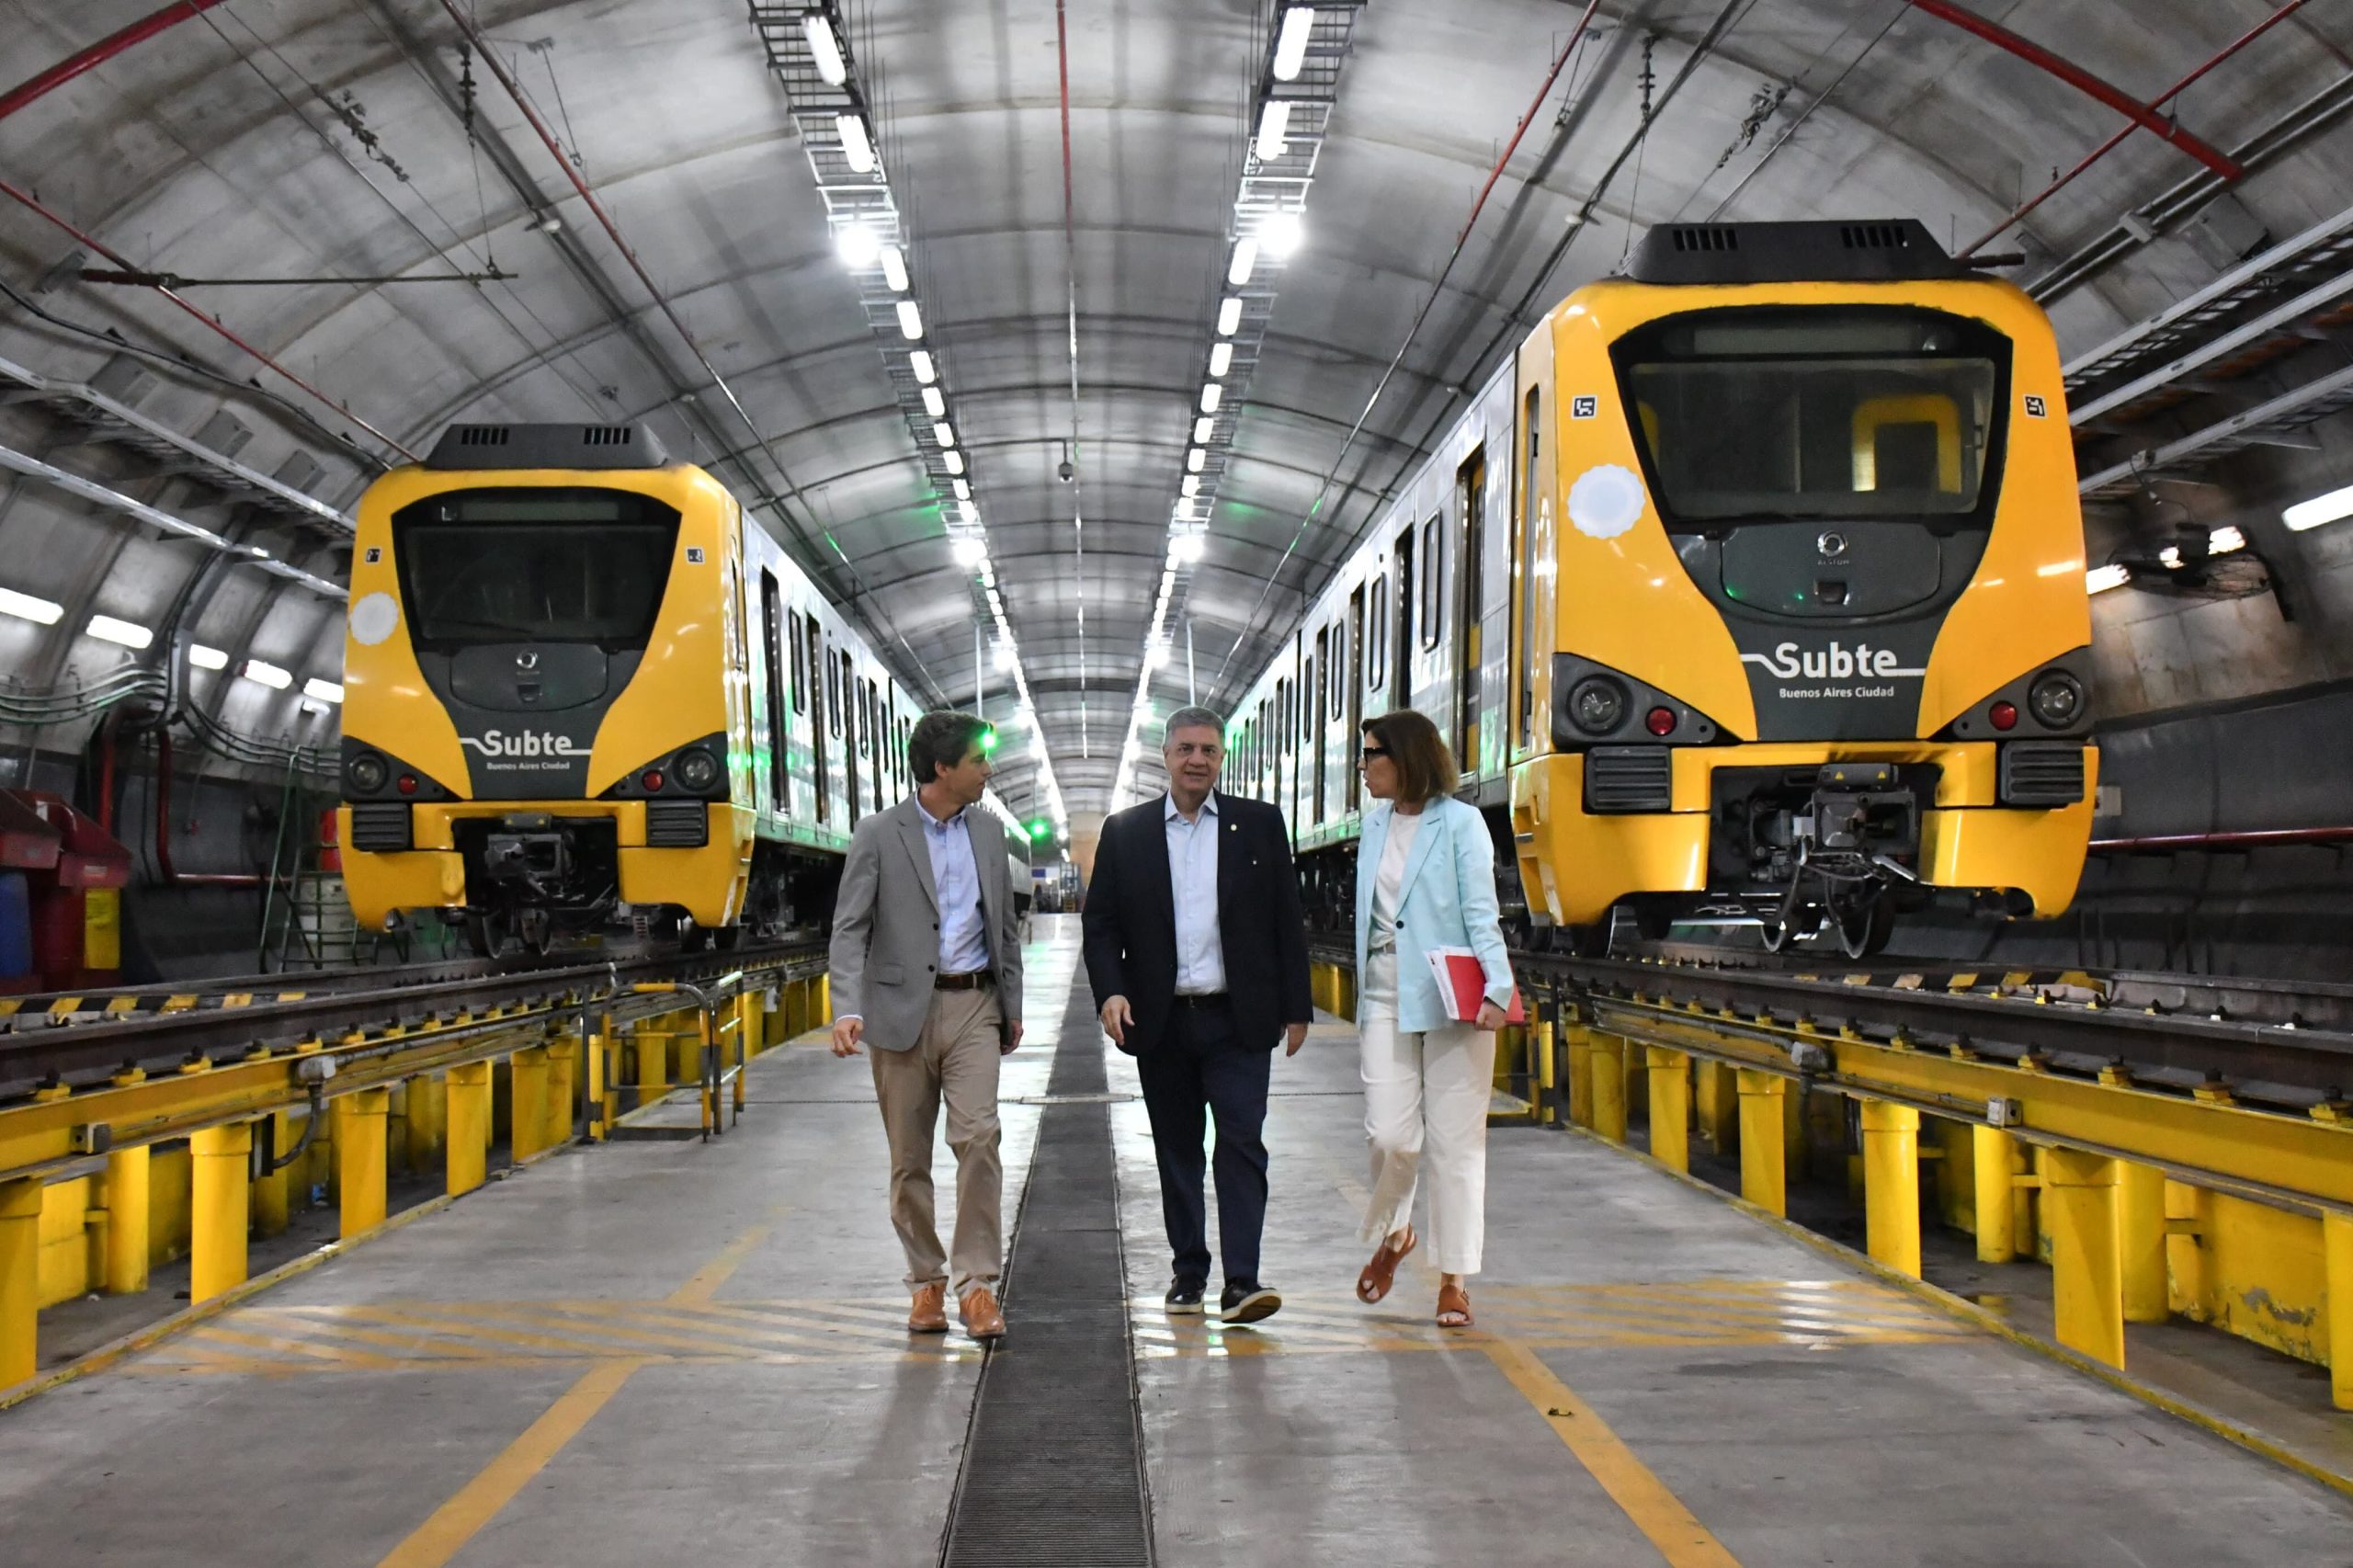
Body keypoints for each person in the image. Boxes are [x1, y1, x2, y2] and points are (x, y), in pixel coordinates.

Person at [1083, 706, 1312, 1323]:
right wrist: (1111, 991)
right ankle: (1189, 1270)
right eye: (1186, 749)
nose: (1197, 761)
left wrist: (1297, 1007)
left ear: (1220, 758)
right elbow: (1100, 924)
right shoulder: (1126, 832)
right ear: (1165, 756)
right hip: (1161, 1022)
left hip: (1239, 1019)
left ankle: (1242, 1280)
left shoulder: (1259, 825)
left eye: (1208, 750)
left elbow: (1286, 920)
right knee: (1177, 1148)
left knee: (1241, 1143)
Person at [829, 711, 1025, 1343]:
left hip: (974, 1005)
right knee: (908, 1159)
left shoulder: (990, 834)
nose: (987, 772)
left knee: (979, 1140)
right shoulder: (879, 833)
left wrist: (1012, 1004)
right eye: (977, 761)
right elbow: (850, 927)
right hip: (899, 1015)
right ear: (943, 769)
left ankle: (977, 1287)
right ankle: (926, 1285)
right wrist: (846, 1007)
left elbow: (1005, 928)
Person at [1348, 709, 1514, 1329]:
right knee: (1390, 1136)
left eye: (1372, 755)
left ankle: (1454, 1280)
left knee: (1456, 1144)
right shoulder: (1372, 826)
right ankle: (1396, 1234)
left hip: (1452, 996)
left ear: (1406, 757)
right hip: (1386, 995)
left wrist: (1496, 987)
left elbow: (1480, 909)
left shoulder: (1462, 823)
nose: (1363, 768)